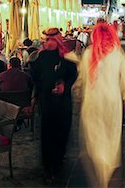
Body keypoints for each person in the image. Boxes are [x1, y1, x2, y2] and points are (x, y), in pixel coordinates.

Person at [79, 22, 125, 188]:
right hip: (112, 103)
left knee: (95, 138)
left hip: (92, 103)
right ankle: (106, 169)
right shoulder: (118, 55)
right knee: (110, 137)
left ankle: (100, 168)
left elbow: (81, 80)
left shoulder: (88, 54)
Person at [29, 28, 78, 182]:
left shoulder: (66, 57)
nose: (49, 42)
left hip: (63, 103)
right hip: (47, 102)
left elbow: (72, 74)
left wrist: (64, 85)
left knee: (62, 131)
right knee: (48, 134)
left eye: (52, 40)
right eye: (47, 39)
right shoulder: (40, 57)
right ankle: (49, 166)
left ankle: (58, 159)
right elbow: (34, 76)